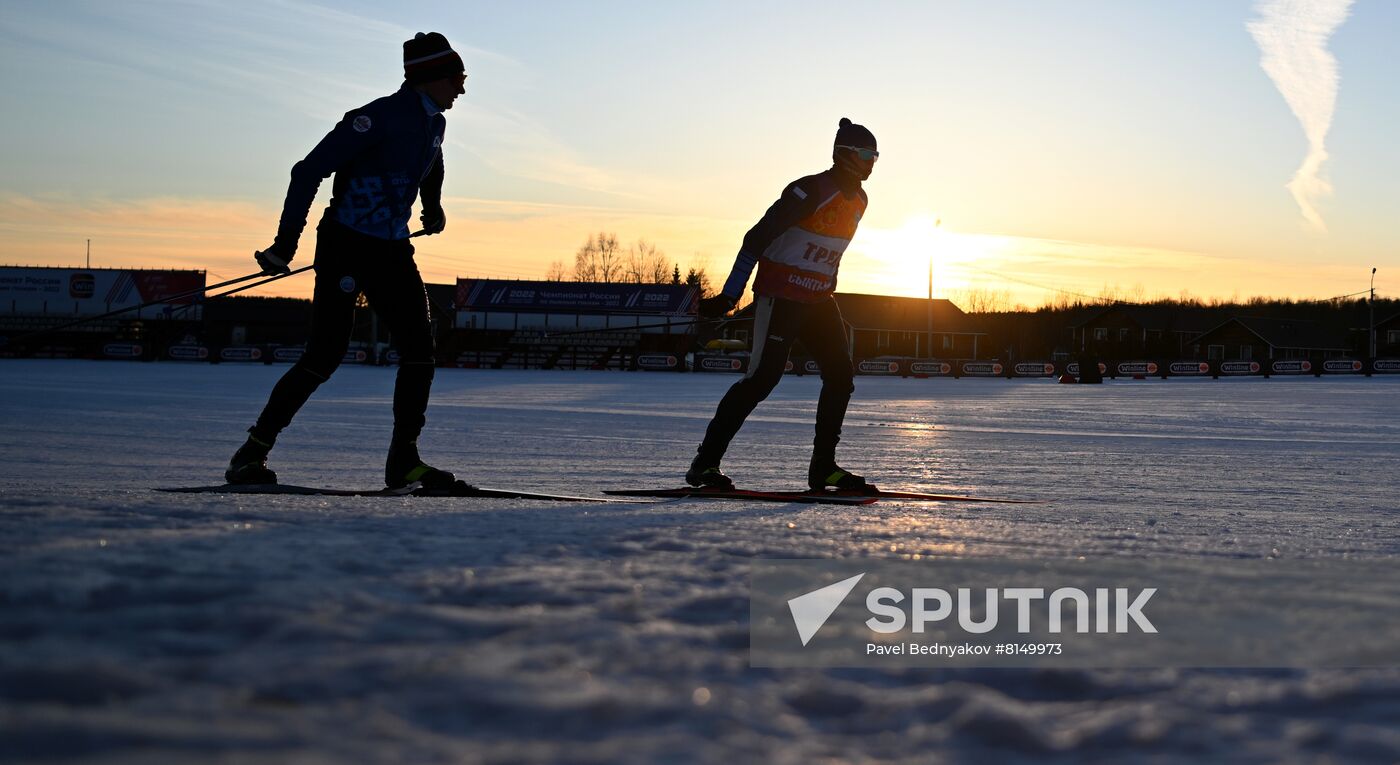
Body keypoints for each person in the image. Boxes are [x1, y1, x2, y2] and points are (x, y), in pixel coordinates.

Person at [225, 32, 467, 489]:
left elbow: (432, 162)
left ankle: (404, 462)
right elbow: (307, 170)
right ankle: (251, 453)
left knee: (420, 349)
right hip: (346, 245)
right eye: (457, 77)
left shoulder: (434, 122)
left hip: (393, 249)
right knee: (326, 354)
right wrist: (284, 244)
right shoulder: (374, 119)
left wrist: (431, 207)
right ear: (431, 77)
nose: (462, 87)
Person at [688, 118, 879, 492]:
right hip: (782, 298)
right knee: (762, 379)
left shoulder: (860, 200)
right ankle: (704, 465)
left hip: (820, 301)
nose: (871, 161)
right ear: (843, 154)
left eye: (875, 155)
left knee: (841, 377)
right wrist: (730, 295)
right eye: (865, 154)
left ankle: (823, 467)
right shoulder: (808, 190)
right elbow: (756, 237)